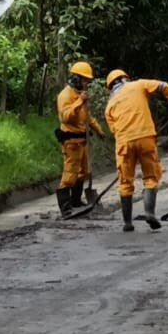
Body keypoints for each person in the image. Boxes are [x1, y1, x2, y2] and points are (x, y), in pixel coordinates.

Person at [103, 70, 168, 232]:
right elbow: (164, 86)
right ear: (125, 79)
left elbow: (114, 130)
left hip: (124, 143)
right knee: (151, 177)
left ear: (110, 88)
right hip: (145, 138)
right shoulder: (138, 85)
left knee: (125, 182)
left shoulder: (109, 106)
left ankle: (127, 223)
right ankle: (149, 212)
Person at [54, 61, 107, 218]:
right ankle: (65, 208)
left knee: (83, 172)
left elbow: (87, 117)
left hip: (82, 141)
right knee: (70, 174)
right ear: (76, 78)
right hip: (71, 142)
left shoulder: (80, 95)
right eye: (84, 80)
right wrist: (79, 102)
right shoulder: (65, 95)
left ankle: (75, 201)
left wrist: (99, 130)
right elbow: (66, 117)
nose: (86, 84)